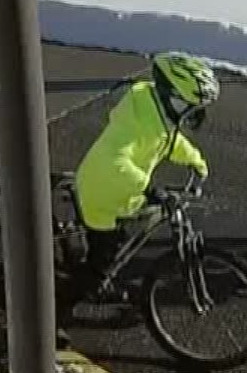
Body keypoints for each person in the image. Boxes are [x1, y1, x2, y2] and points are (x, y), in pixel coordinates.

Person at [68, 52, 215, 297]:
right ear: (173, 98)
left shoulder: (157, 115)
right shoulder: (134, 125)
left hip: (124, 191)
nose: (193, 115)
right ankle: (67, 301)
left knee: (125, 236)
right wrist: (148, 187)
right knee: (102, 260)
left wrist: (195, 161)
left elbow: (170, 142)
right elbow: (113, 161)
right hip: (102, 194)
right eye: (189, 107)